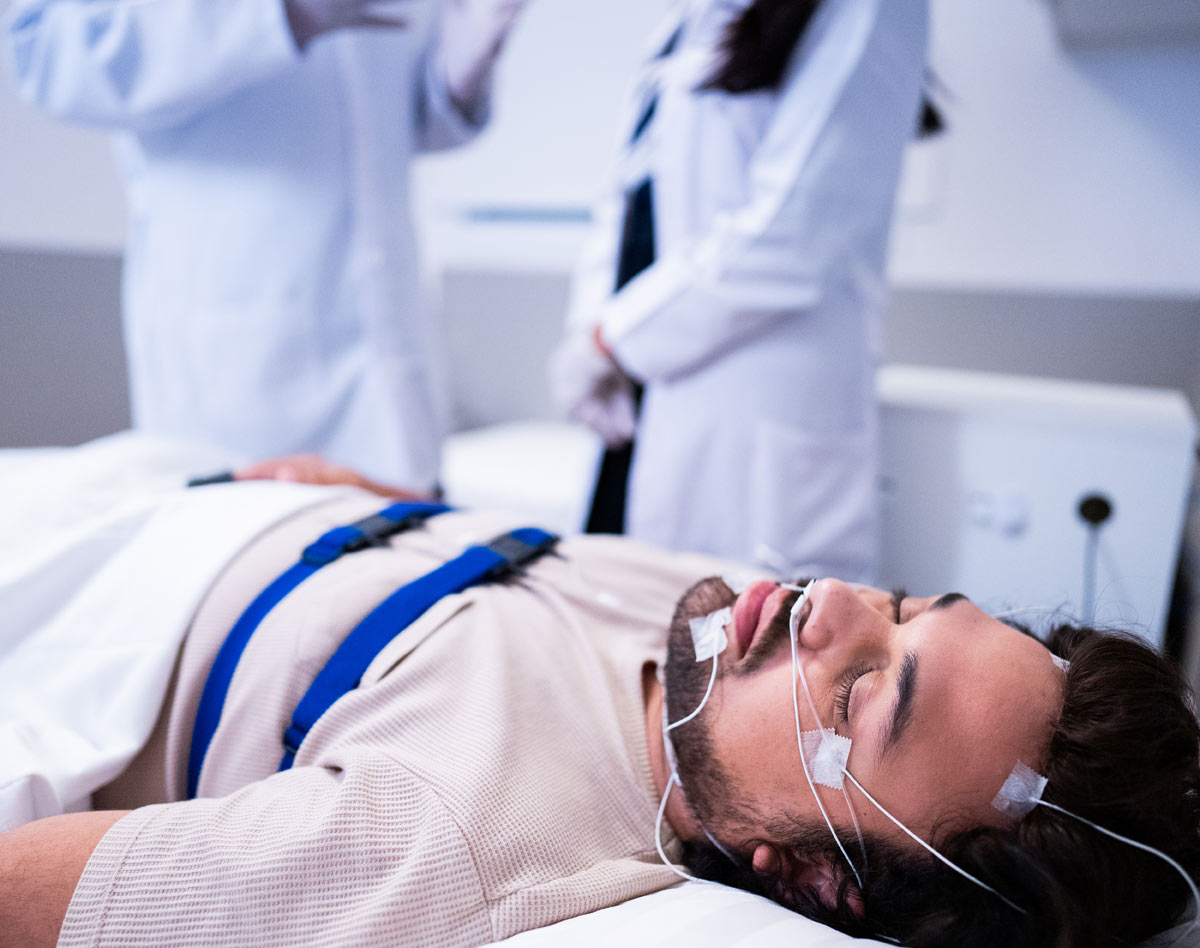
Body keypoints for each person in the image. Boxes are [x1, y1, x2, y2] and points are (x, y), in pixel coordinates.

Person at [0, 444, 1197, 948]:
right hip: (202, 492)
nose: (822, 603)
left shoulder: (457, 842)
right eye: (897, 604)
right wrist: (375, 498)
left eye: (863, 695)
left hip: (84, 604)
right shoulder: (718, 635)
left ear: (820, 877)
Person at [3, 0, 530, 490]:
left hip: (394, 369)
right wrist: (276, 13)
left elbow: (385, 125)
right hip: (240, 375)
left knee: (412, 572)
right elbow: (51, 57)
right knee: (259, 566)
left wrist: (458, 72)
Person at [551, 0, 929, 581]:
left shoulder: (869, 11)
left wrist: (609, 340)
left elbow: (792, 232)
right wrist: (590, 330)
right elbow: (627, 199)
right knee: (626, 628)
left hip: (751, 422)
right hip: (643, 401)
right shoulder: (683, 22)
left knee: (755, 651)